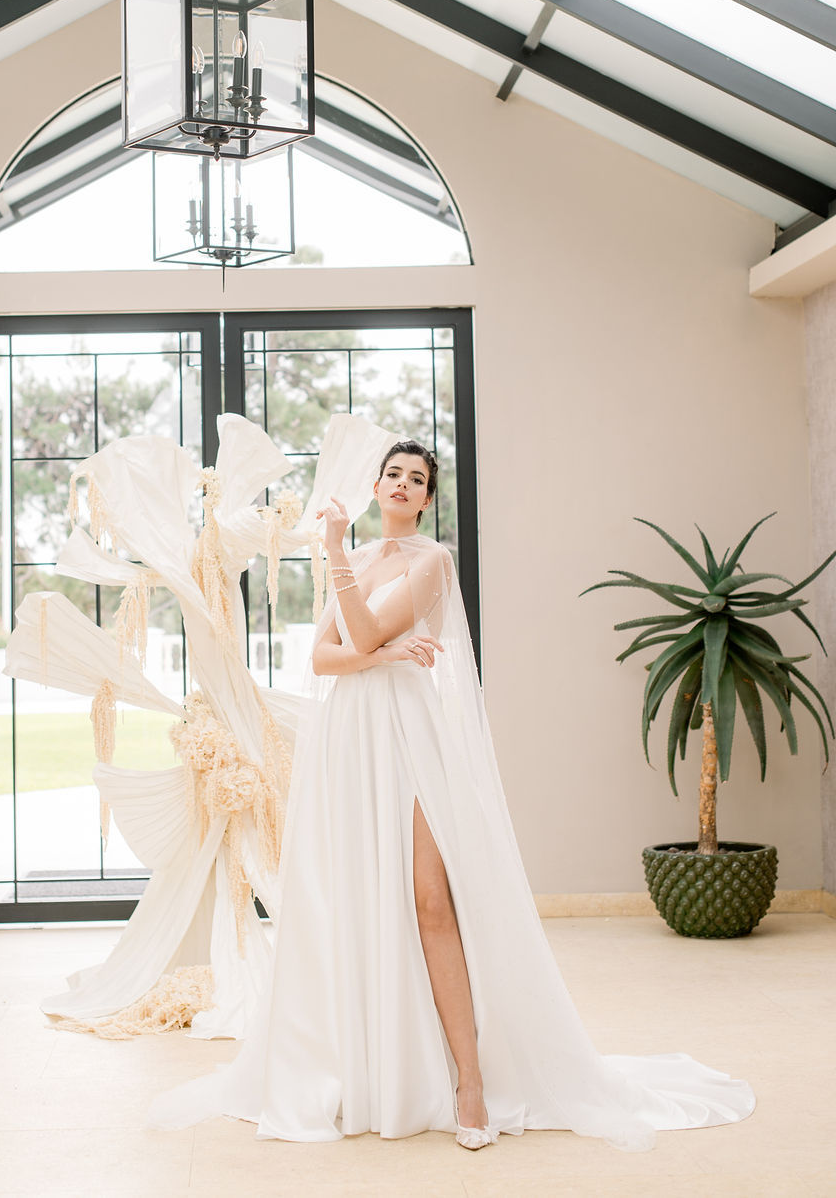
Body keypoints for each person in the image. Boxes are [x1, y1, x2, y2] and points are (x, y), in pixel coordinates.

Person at [148, 441, 754, 1150]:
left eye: (418, 479)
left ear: (428, 498)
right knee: (363, 902)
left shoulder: (430, 562)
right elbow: (323, 657)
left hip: (406, 734)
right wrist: (376, 642)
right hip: (350, 738)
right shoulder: (360, 560)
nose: (404, 485)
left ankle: (470, 1079)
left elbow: (363, 630)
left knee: (432, 901)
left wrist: (348, 586)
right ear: (376, 485)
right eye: (394, 474)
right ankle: (381, 1072)